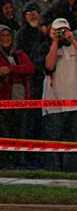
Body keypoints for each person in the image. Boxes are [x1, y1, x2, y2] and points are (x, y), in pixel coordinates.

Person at [40, 18, 77, 173]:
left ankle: (71, 173)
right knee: (54, 142)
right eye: (58, 31)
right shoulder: (47, 47)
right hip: (54, 105)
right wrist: (55, 42)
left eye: (64, 30)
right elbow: (48, 66)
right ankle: (52, 173)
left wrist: (74, 40)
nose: (61, 34)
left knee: (73, 141)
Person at [0, 25, 36, 169]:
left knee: (19, 132)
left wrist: (11, 69)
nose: (6, 39)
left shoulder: (19, 54)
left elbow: (30, 68)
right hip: (4, 100)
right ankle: (5, 163)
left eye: (8, 35)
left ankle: (18, 162)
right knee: (5, 132)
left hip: (20, 100)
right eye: (2, 36)